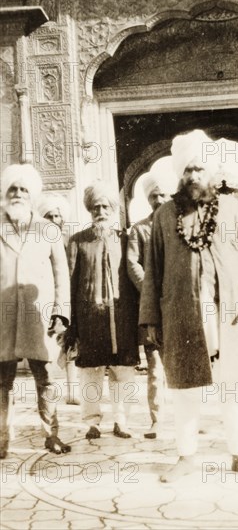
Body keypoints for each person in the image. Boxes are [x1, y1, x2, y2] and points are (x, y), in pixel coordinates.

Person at [139, 130, 238, 482]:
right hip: (181, 313)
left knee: (233, 386)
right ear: (180, 175)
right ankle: (186, 456)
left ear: (211, 173)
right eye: (187, 170)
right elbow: (152, 271)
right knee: (184, 387)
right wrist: (149, 318)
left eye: (199, 169)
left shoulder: (234, 209)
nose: (193, 176)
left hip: (228, 314)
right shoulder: (164, 215)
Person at [0, 164, 71, 458]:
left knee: (47, 379)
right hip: (2, 317)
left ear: (32, 194)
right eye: (12, 189)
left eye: (23, 189)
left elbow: (61, 275)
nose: (17, 194)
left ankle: (51, 435)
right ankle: (2, 439)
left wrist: (60, 313)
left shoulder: (48, 230)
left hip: (40, 316)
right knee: (2, 381)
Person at [67, 180, 140, 440]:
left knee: (124, 372)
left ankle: (122, 421)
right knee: (90, 372)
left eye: (105, 206)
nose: (100, 211)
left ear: (113, 209)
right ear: (89, 210)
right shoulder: (78, 241)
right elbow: (71, 282)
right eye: (96, 207)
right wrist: (72, 324)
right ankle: (92, 422)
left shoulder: (125, 239)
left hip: (122, 317)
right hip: (89, 319)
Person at [127, 172, 174, 439]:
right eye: (154, 196)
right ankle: (157, 419)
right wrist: (151, 289)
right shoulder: (139, 230)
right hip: (151, 309)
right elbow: (133, 263)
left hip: (177, 307)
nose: (159, 200)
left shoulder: (180, 227)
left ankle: (187, 418)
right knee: (155, 368)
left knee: (180, 366)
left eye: (163, 194)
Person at [38, 192, 80, 406]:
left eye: (57, 216)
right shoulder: (36, 241)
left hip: (69, 298)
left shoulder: (70, 240)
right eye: (49, 216)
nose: (54, 220)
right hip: (46, 300)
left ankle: (73, 390)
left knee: (70, 343)